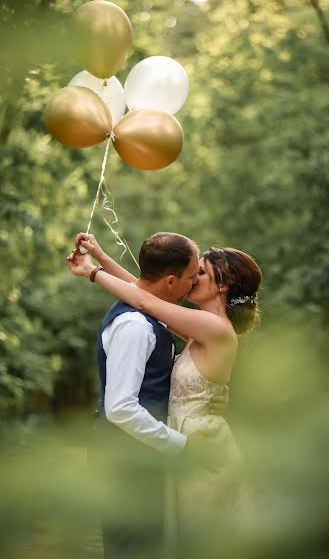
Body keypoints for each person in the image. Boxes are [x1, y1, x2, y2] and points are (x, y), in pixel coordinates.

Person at [67, 232, 262, 555]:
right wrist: (100, 257)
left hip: (200, 443)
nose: (193, 279)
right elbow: (146, 292)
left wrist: (92, 273)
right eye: (192, 273)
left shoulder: (214, 328)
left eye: (200, 273)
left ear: (222, 284)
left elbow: (146, 300)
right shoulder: (202, 324)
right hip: (181, 439)